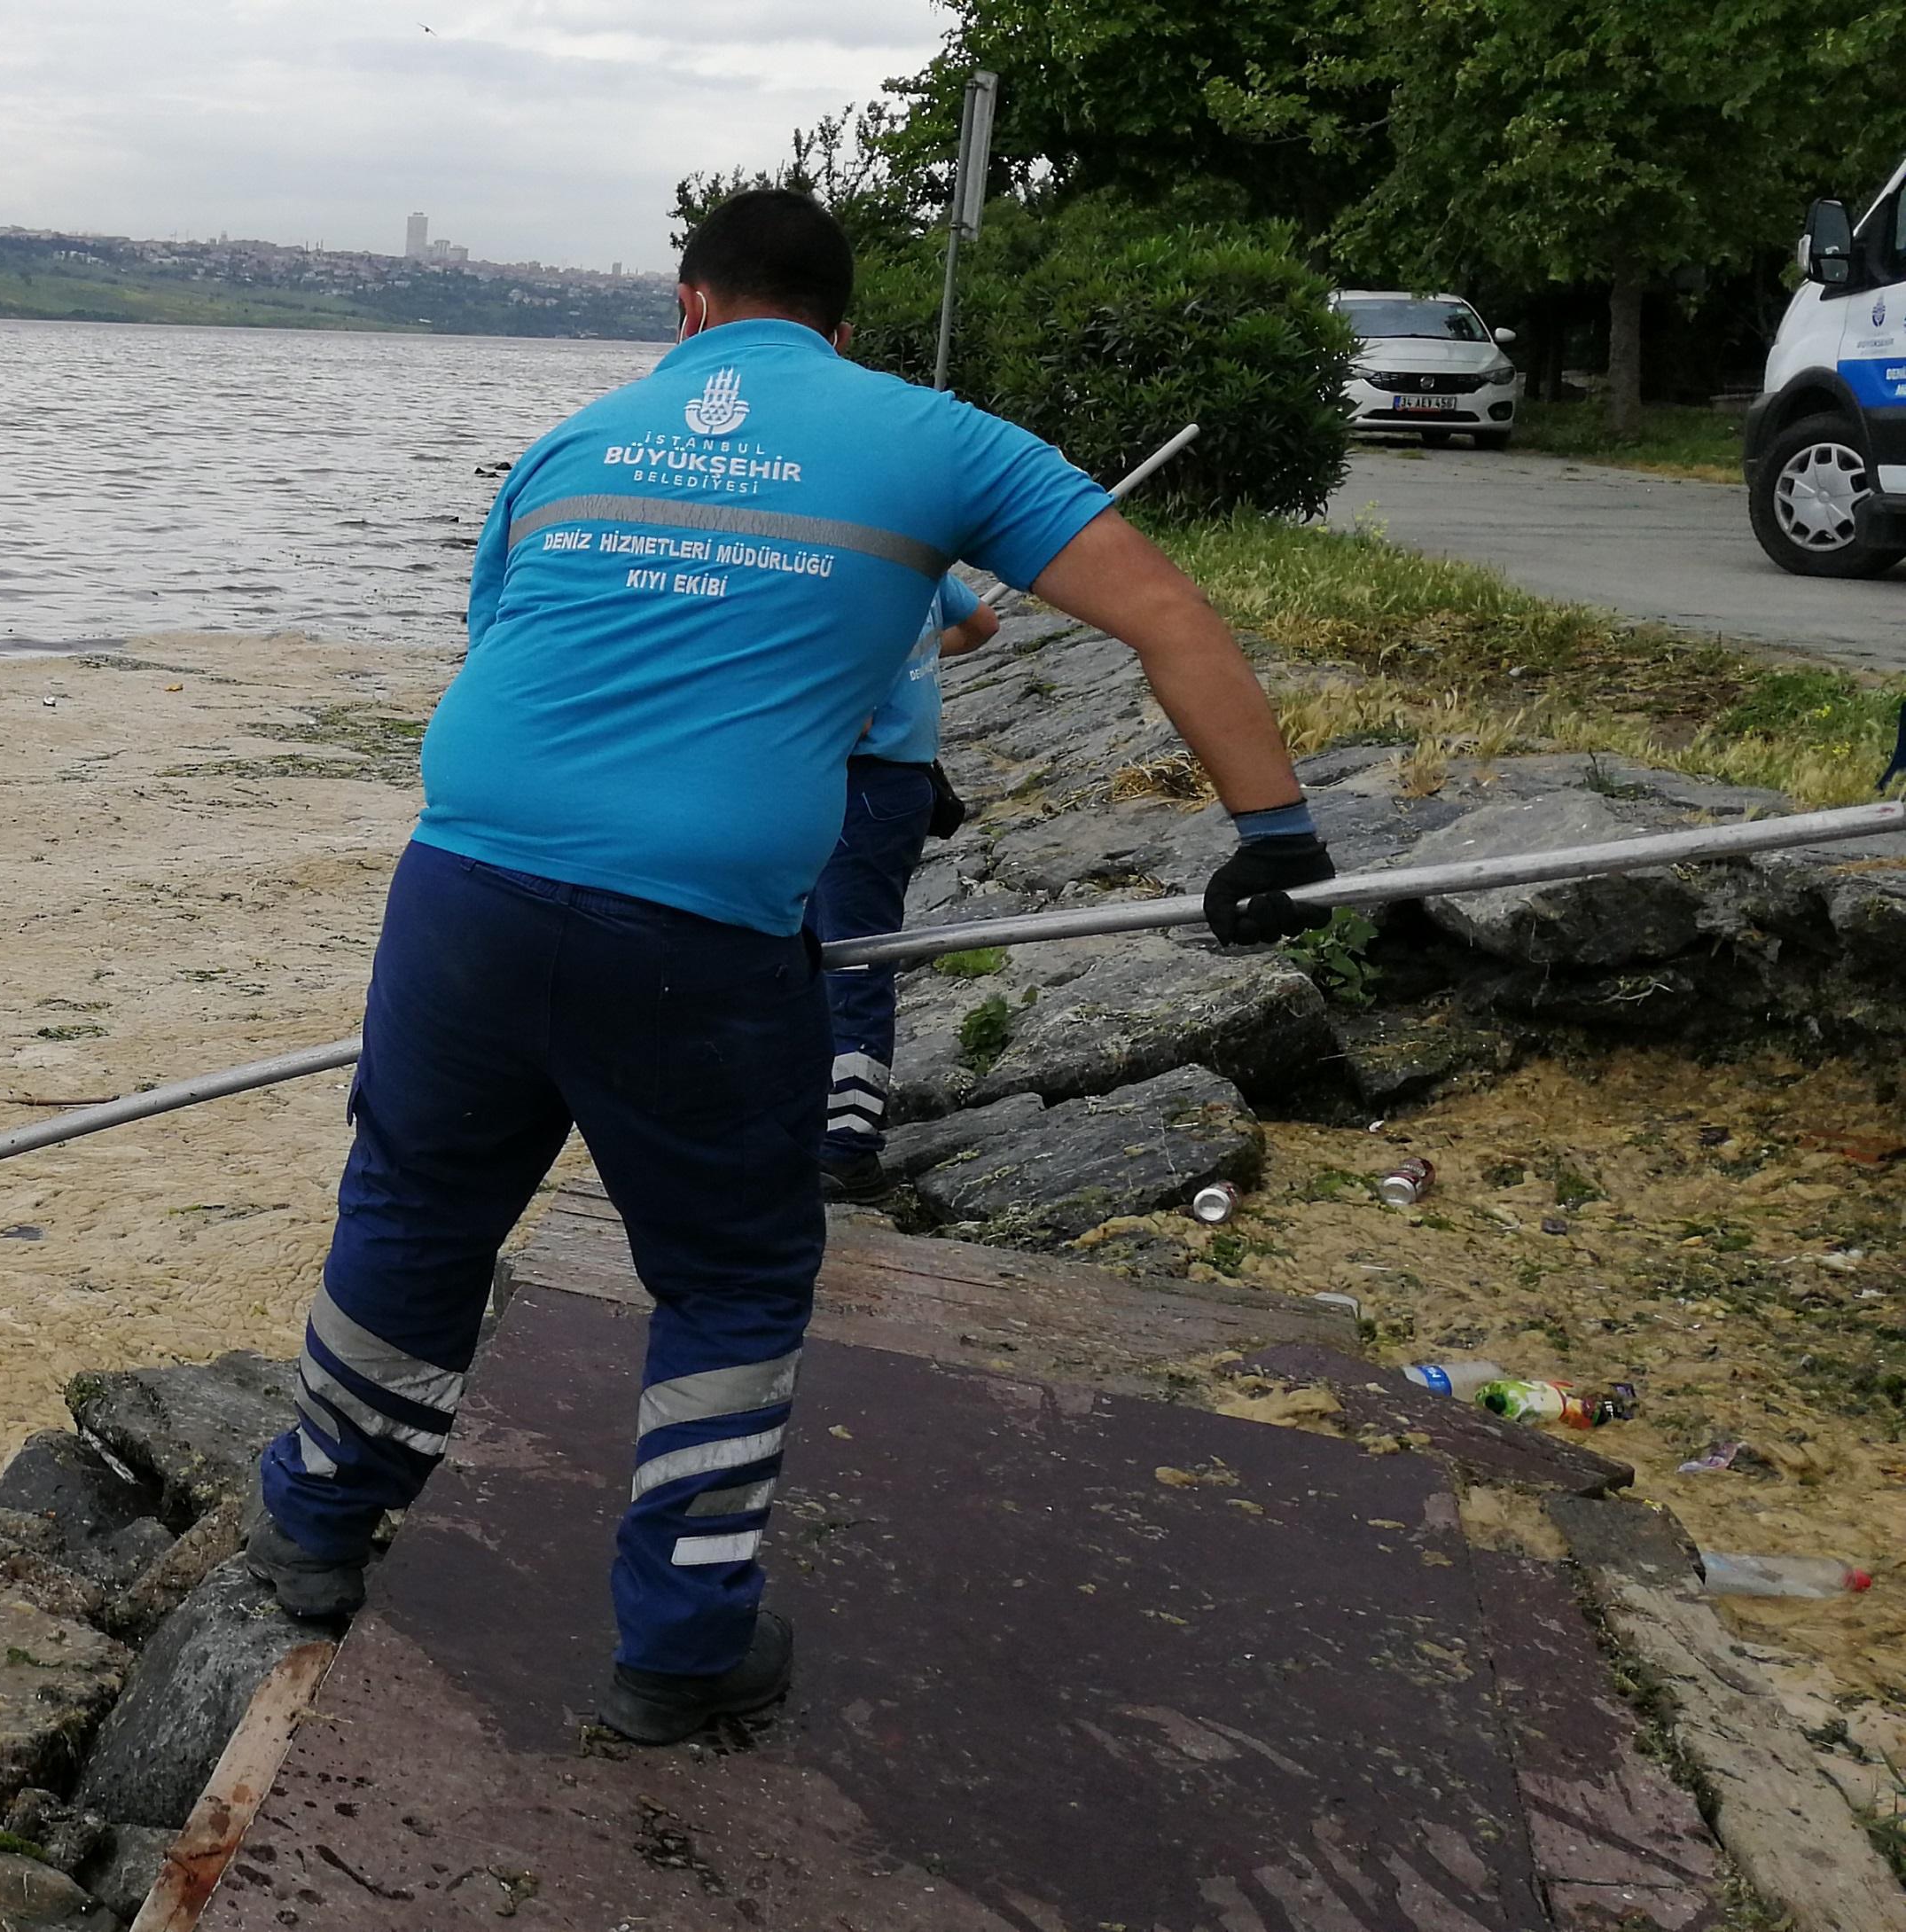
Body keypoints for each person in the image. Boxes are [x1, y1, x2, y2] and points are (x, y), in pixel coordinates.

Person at [240, 188, 1334, 1745]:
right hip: (689, 929)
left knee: (415, 1202)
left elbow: (508, 649)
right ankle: (680, 1645)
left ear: (684, 307)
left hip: (462, 884)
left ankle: (312, 1524)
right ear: (842, 325)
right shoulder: (933, 437)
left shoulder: (569, 443)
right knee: (732, 1269)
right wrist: (1275, 837)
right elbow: (1164, 613)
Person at [815, 577, 1004, 1203]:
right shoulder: (909, 555)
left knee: (848, 959)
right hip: (894, 784)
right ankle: (823, 1123)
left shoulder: (845, 577)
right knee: (835, 955)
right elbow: (981, 624)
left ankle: (847, 1147)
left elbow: (844, 709)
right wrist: (912, 664)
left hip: (854, 785)